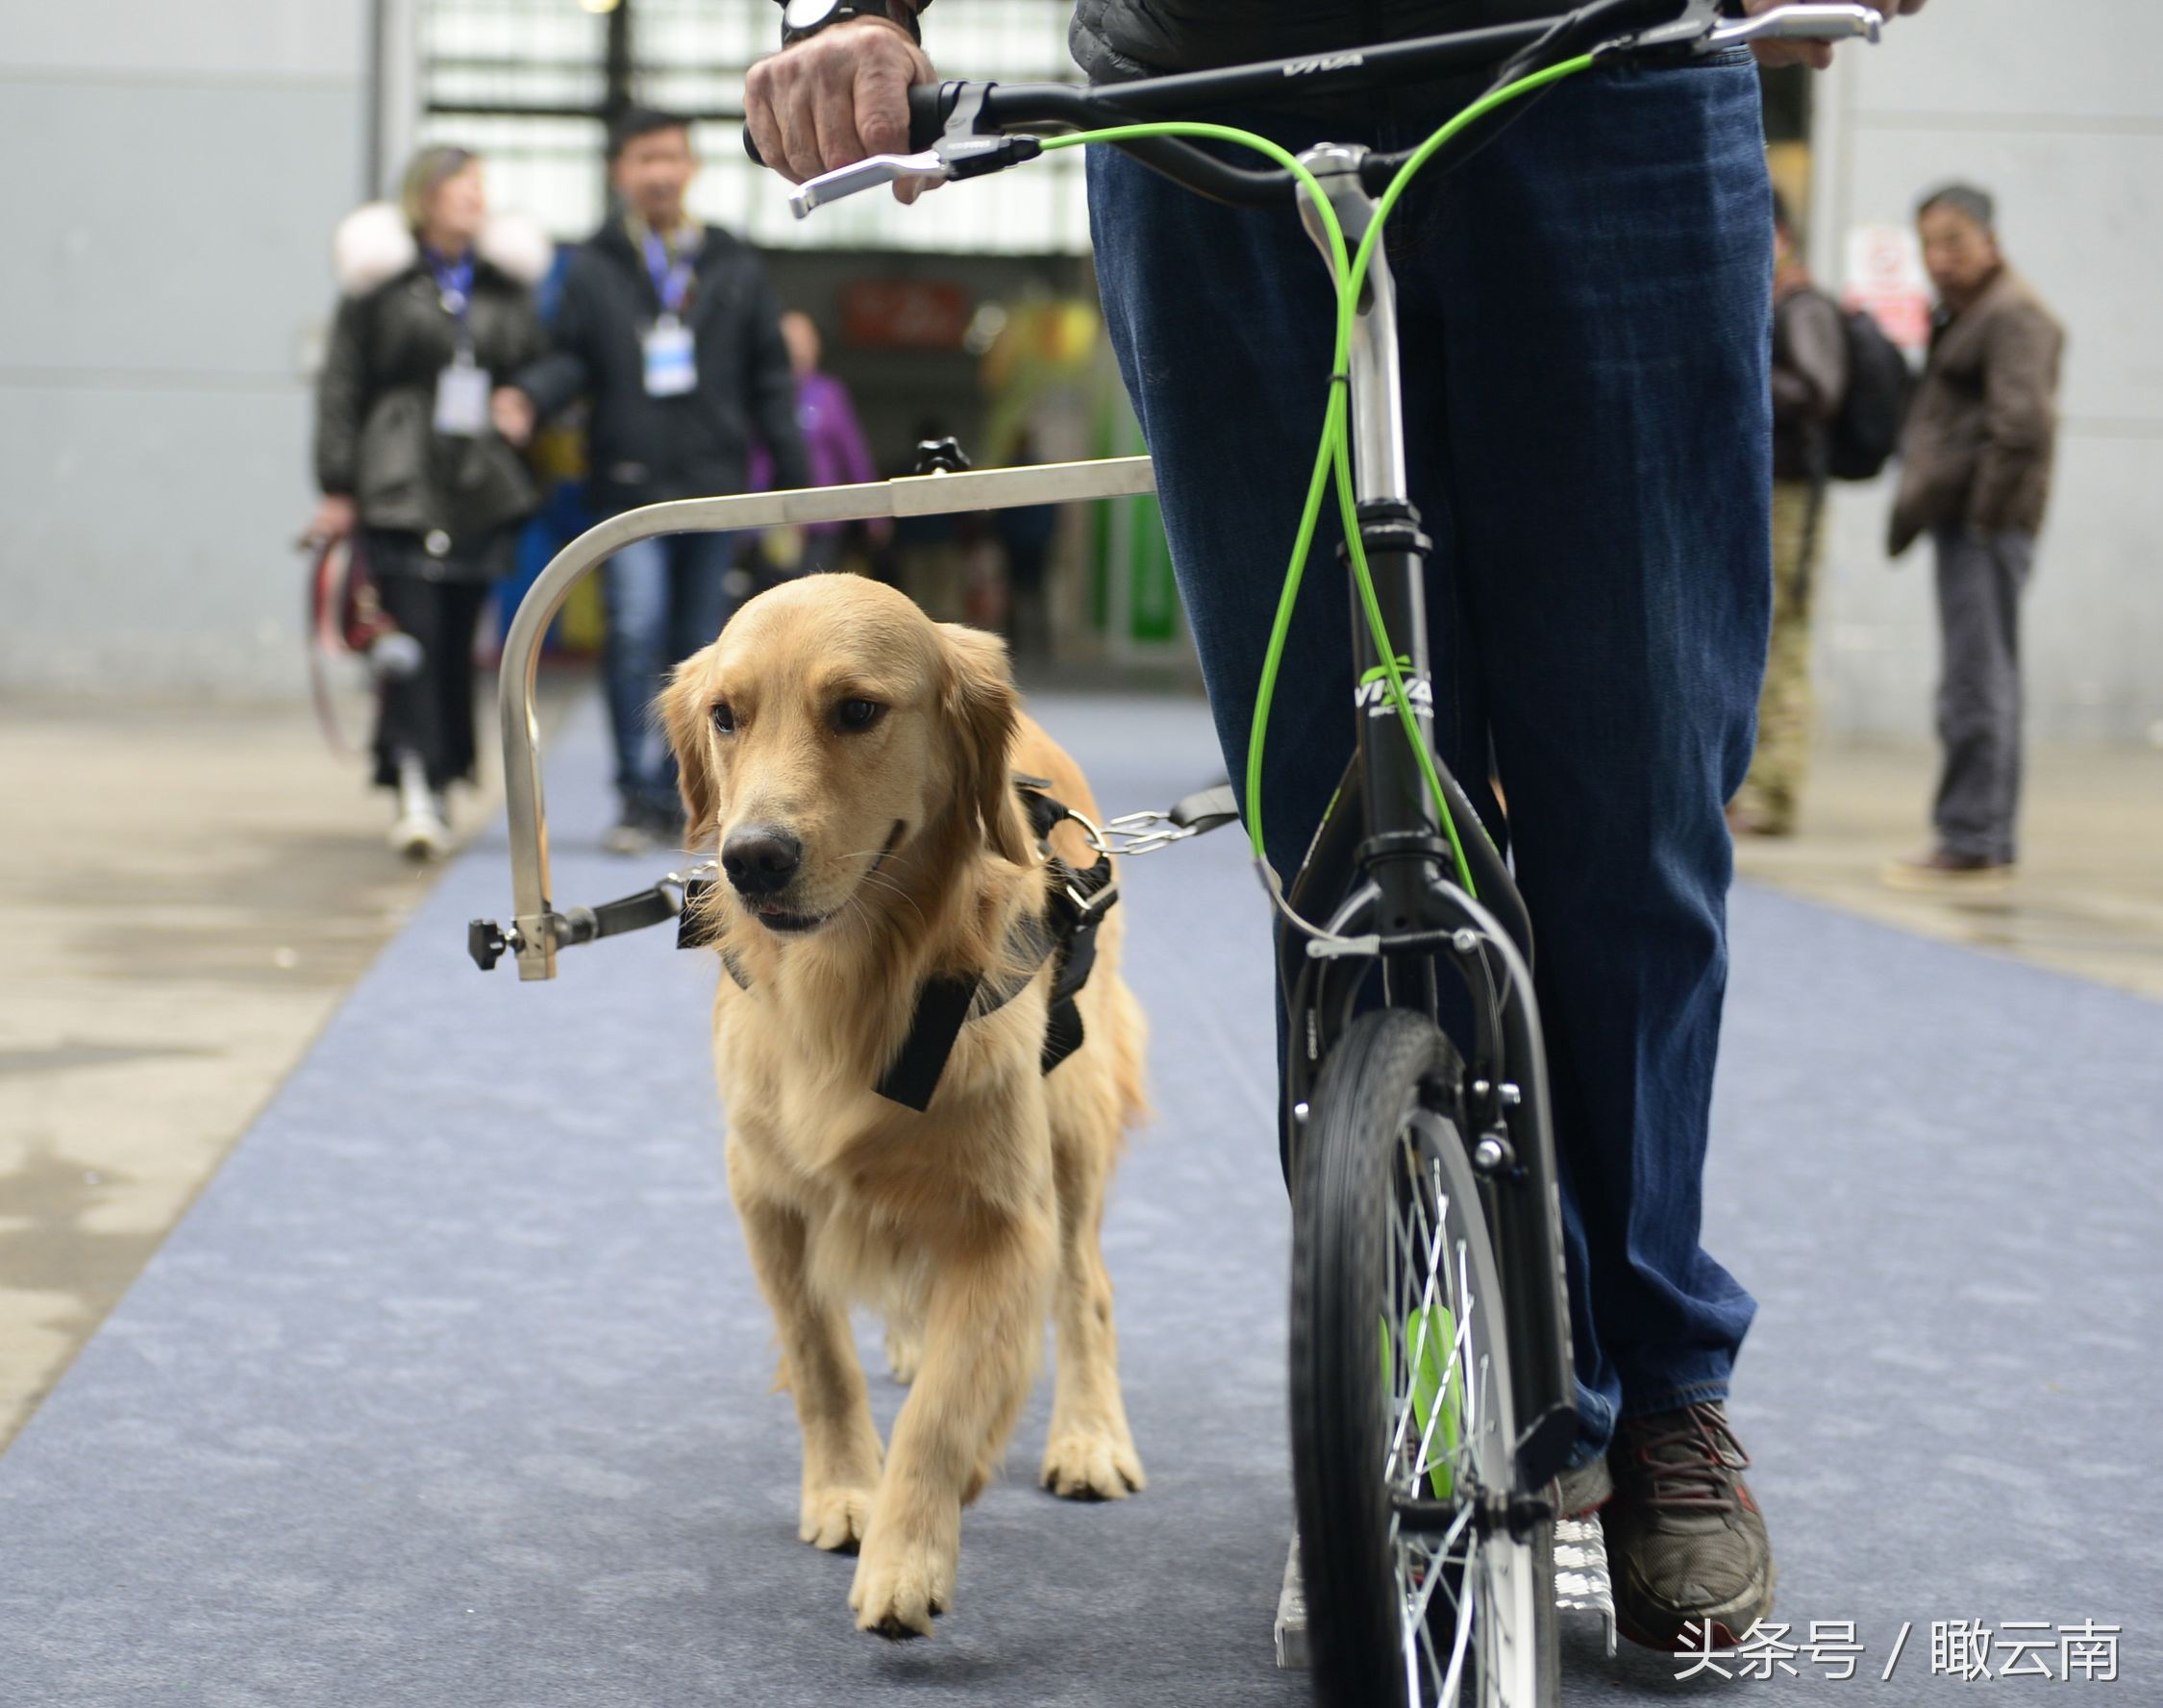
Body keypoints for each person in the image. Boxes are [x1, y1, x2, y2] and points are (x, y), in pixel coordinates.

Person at [746, 0, 1928, 1653]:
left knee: (1635, 798)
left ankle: (1656, 1380)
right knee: (1336, 823)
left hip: (1605, 74)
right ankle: (1424, 1389)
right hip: (1205, 106)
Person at [503, 107, 809, 855]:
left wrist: (796, 486)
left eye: (672, 157)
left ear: (692, 167)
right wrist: (528, 396)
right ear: (621, 173)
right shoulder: (595, 267)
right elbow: (571, 358)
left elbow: (771, 377)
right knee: (635, 630)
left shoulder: (733, 263)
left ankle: (695, 796)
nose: (661, 172)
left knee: (701, 648)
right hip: (628, 490)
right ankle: (638, 798)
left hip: (713, 487)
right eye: (645, 159)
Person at [309, 146, 549, 859]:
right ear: (425, 196)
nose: (474, 196)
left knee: (456, 639)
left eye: (481, 184)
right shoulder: (379, 286)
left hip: (478, 482)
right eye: (459, 184)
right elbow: (341, 386)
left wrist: (526, 400)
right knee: (408, 639)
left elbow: (534, 363)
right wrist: (337, 485)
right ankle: (413, 782)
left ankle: (441, 777)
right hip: (399, 477)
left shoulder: (504, 287)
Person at [1883, 184, 2064, 891]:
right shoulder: (1969, 312)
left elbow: (2022, 430)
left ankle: (1972, 836)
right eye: (1928, 243)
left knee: (1975, 681)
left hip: (1985, 527)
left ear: (1990, 240)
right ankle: (1982, 834)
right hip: (1971, 524)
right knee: (1982, 676)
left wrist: (1982, 516)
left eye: (1954, 241)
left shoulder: (2013, 315)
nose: (1939, 258)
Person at [1730, 190, 1848, 839]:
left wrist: (1742, 371)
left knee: (1785, 640)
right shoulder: (1776, 302)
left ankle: (1774, 795)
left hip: (1792, 496)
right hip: (1769, 489)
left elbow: (1820, 389)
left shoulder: (1802, 307)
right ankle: (1756, 787)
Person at [747, 310, 886, 580]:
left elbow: (853, 454)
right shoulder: (760, 395)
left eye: (804, 341)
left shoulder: (831, 393)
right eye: (790, 341)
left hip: (820, 519)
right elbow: (750, 457)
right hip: (771, 519)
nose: (797, 349)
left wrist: (875, 513)